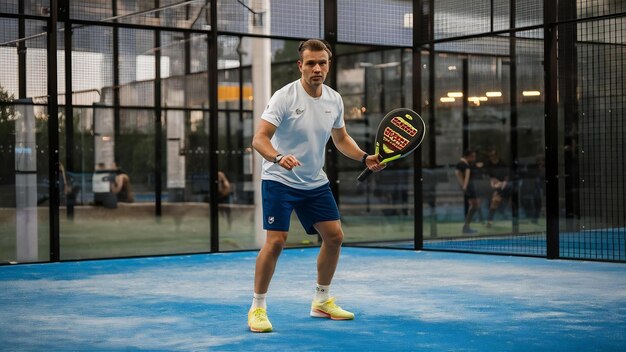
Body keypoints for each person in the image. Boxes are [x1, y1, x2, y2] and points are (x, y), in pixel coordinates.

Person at [247, 39, 386, 333]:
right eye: (311, 63)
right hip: (279, 178)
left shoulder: (334, 99)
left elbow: (341, 139)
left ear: (328, 65)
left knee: (334, 236)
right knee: (276, 241)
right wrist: (278, 157)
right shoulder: (284, 97)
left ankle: (321, 301)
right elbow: (259, 138)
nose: (317, 68)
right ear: (301, 66)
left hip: (314, 180)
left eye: (322, 63)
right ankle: (257, 307)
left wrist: (364, 157)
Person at [484, 148, 512, 227]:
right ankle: (489, 221)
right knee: (494, 201)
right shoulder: (488, 164)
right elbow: (486, 176)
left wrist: (502, 183)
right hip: (491, 186)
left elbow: (507, 176)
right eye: (490, 155)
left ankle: (490, 221)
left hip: (503, 186)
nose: (491, 157)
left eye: (493, 155)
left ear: (497, 155)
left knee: (495, 201)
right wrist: (492, 180)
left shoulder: (503, 164)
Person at [455, 149, 479, 234]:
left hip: (468, 187)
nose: (474, 158)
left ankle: (466, 226)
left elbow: (458, 174)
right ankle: (466, 226)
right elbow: (465, 177)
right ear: (467, 156)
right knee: (474, 205)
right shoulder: (465, 165)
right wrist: (464, 187)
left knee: (474, 205)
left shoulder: (460, 164)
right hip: (469, 187)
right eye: (472, 156)